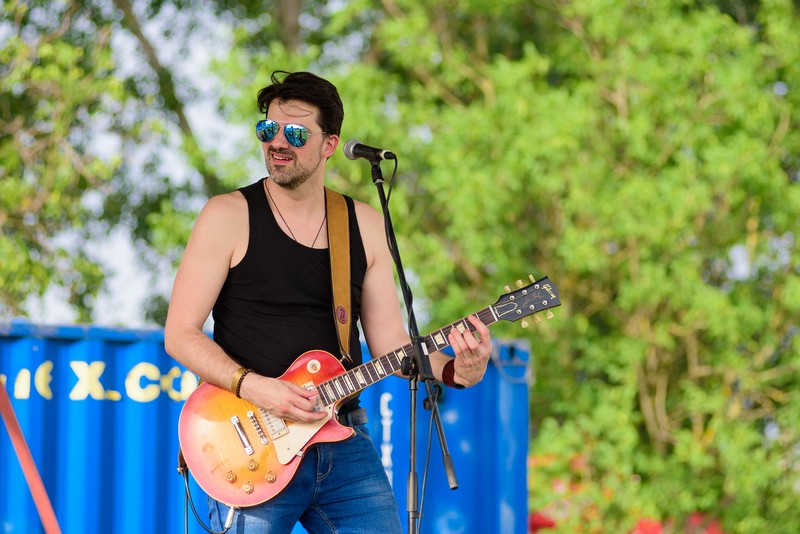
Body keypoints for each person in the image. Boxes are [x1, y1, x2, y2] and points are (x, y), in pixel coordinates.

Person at [164, 70, 493, 533]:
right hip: (251, 440)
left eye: (296, 134)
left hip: (342, 436)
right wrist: (255, 387)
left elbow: (390, 345)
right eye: (268, 129)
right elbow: (179, 334)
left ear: (329, 145)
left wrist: (458, 370)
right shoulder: (227, 216)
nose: (278, 142)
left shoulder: (363, 224)